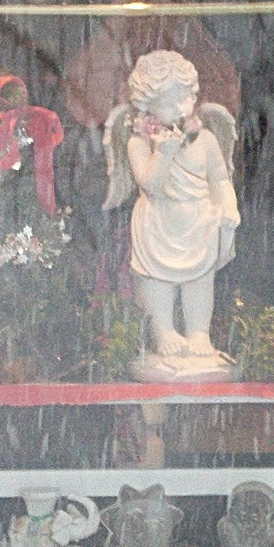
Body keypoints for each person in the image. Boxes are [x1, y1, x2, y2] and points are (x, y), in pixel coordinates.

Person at [109, 46, 241, 376]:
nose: (182, 108)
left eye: (187, 98)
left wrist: (228, 205)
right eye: (171, 101)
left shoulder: (206, 139)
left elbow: (220, 178)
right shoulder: (138, 144)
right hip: (158, 222)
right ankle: (163, 330)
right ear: (145, 106)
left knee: (199, 279)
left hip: (199, 220)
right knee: (157, 280)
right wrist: (164, 152)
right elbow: (151, 185)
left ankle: (199, 332)